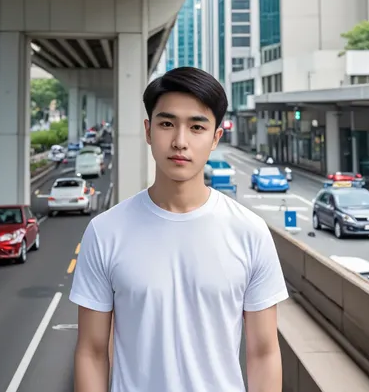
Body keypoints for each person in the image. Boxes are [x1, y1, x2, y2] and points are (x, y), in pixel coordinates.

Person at [70, 66, 288, 392]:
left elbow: (264, 352)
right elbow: (92, 351)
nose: (180, 141)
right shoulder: (105, 232)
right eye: (167, 124)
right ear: (148, 130)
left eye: (197, 126)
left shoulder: (250, 233)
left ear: (216, 137)